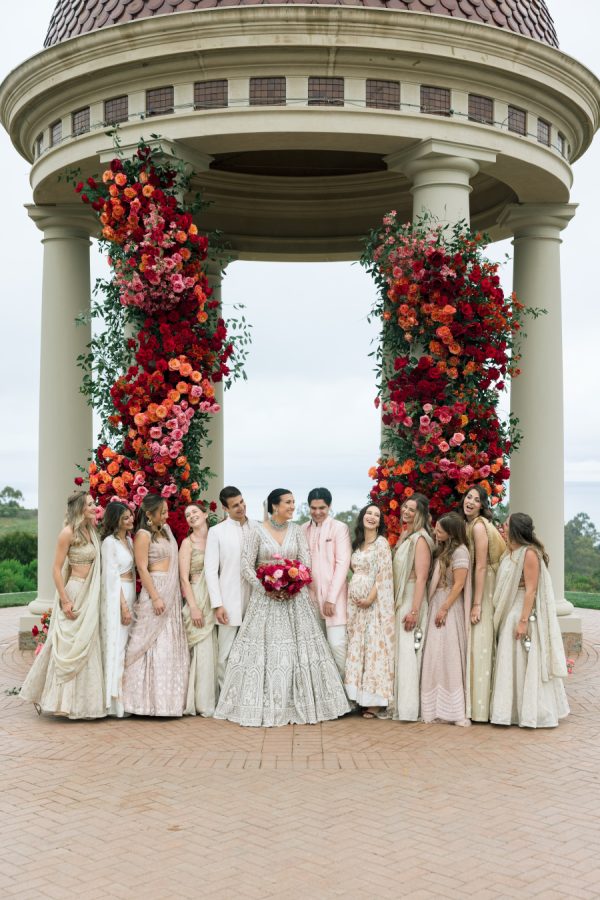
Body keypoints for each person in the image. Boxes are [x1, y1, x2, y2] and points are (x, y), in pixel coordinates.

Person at [214, 488, 350, 727]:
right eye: (288, 502)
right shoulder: (256, 531)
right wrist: (266, 588)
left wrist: (292, 585)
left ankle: (307, 701)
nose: (293, 506)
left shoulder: (297, 530)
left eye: (293, 502)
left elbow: (305, 564)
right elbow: (246, 566)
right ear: (275, 506)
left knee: (300, 655)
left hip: (295, 600)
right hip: (265, 601)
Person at [20, 491, 105, 719]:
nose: (94, 507)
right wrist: (65, 600)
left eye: (94, 504)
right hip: (74, 593)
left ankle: (85, 704)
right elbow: (56, 569)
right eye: (90, 504)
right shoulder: (67, 533)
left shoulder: (91, 531)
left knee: (88, 643)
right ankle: (61, 702)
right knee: (70, 646)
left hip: (91, 593)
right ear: (79, 508)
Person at [490, 513, 569, 728]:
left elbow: (531, 590)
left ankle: (532, 712)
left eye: (507, 524)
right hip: (509, 611)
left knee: (524, 661)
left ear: (515, 529)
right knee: (511, 661)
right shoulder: (510, 553)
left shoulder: (529, 554)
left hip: (521, 612)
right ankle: (510, 711)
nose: (503, 527)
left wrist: (523, 621)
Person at [122, 495, 189, 717]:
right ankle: (142, 703)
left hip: (171, 591)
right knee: (151, 643)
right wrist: (155, 597)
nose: (167, 515)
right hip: (156, 590)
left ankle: (168, 703)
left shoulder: (166, 531)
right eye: (163, 512)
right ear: (149, 514)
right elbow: (142, 568)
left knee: (169, 644)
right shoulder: (143, 535)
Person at [344, 504, 395, 718]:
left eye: (377, 515)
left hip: (373, 606)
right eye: (369, 513)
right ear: (362, 517)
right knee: (358, 647)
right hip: (356, 607)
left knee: (373, 648)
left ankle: (375, 701)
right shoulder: (358, 543)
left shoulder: (381, 543)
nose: (372, 517)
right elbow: (354, 568)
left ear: (380, 521)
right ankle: (359, 696)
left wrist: (370, 598)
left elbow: (383, 574)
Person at [421, 512, 471, 726]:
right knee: (434, 654)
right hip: (437, 603)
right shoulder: (442, 549)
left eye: (440, 530)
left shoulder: (460, 552)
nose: (435, 532)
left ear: (450, 533)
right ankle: (433, 707)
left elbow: (459, 584)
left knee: (449, 655)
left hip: (450, 606)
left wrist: (444, 609)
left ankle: (454, 710)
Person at [460, 485, 506, 722]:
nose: (470, 502)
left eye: (476, 500)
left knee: (481, 640)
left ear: (482, 506)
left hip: (485, 585)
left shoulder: (478, 526)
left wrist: (477, 603)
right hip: (476, 583)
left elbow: (480, 565)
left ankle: (481, 708)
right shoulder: (468, 524)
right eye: (468, 497)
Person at [204, 486, 255, 691]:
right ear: (225, 509)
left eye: (242, 502)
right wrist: (218, 604)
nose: (241, 507)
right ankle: (226, 695)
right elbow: (210, 571)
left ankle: (247, 694)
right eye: (235, 505)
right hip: (228, 601)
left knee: (251, 652)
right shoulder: (217, 532)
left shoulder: (257, 528)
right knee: (224, 654)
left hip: (255, 601)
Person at [391, 494, 434, 722]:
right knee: (401, 652)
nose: (406, 512)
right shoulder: (407, 535)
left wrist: (414, 611)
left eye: (412, 509)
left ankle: (408, 708)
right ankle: (399, 702)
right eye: (405, 507)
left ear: (421, 514)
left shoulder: (421, 540)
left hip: (411, 599)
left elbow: (421, 578)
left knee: (408, 651)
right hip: (401, 598)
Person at [301, 487, 352, 679]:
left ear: (329, 506)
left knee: (337, 645)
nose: (317, 512)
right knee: (317, 648)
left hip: (334, 599)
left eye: (321, 508)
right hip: (310, 598)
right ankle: (326, 692)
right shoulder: (303, 529)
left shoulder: (339, 528)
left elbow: (342, 564)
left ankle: (346, 692)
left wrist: (331, 598)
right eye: (313, 508)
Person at [179, 503, 218, 717]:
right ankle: (202, 701)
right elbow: (184, 578)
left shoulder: (216, 537)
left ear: (205, 513)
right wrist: (193, 607)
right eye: (188, 515)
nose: (191, 516)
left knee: (216, 649)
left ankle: (216, 696)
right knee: (202, 649)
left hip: (216, 598)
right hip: (197, 595)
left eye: (195, 512)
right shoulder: (187, 543)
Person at [100, 500, 136, 718]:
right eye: (125, 518)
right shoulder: (109, 543)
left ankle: (126, 696)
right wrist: (123, 606)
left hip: (131, 592)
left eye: (130, 515)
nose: (131, 519)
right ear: (116, 521)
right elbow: (112, 576)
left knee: (128, 646)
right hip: (118, 595)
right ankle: (115, 703)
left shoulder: (129, 540)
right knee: (118, 645)